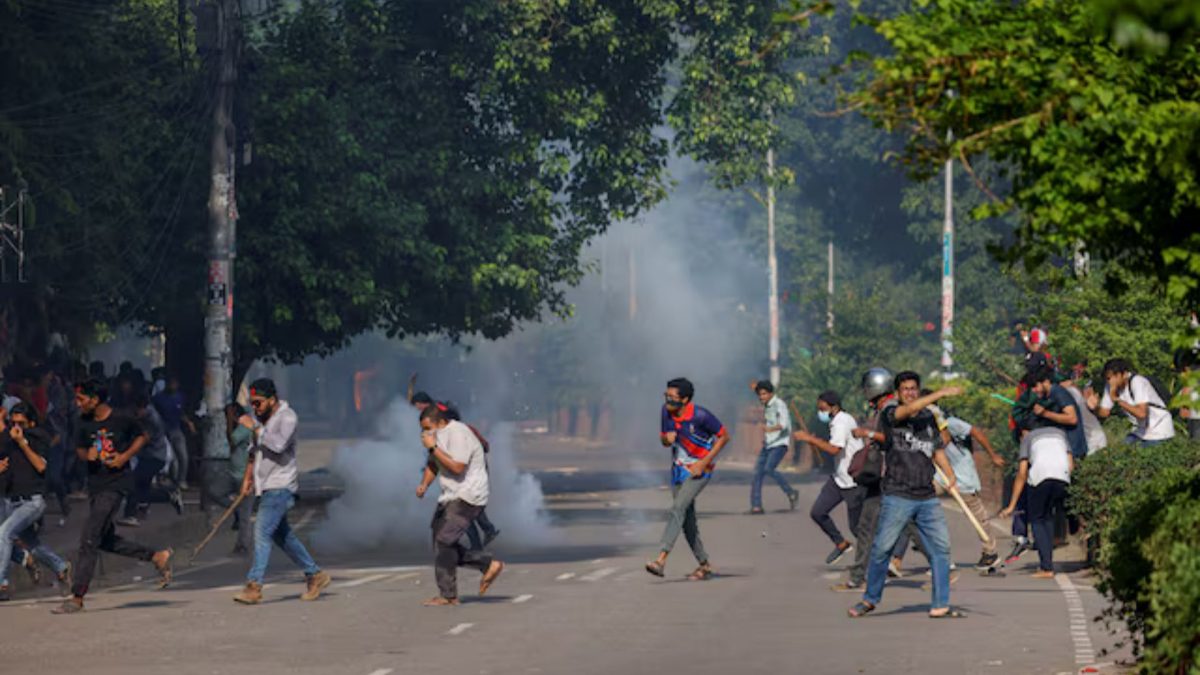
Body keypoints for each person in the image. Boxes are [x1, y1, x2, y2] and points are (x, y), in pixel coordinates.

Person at [848, 372, 962, 619]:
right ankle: (870, 599)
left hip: (927, 496)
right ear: (898, 393)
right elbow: (904, 412)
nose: (910, 393)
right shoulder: (891, 414)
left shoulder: (928, 417)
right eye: (906, 389)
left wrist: (950, 475)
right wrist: (940, 394)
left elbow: (936, 449)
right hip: (898, 494)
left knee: (941, 549)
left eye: (914, 389)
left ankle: (940, 603)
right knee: (882, 549)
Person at [54, 379, 173, 614]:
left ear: (95, 399)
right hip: (95, 485)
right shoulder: (83, 422)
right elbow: (78, 448)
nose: (78, 404)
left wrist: (123, 456)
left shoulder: (121, 418)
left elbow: (143, 436)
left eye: (81, 399)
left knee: (89, 538)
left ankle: (77, 597)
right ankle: (156, 556)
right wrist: (86, 454)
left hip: (116, 485)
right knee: (104, 539)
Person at [233, 378, 330, 605]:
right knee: (282, 535)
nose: (255, 408)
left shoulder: (287, 417)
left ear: (272, 399)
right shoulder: (264, 420)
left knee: (261, 532)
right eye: (252, 404)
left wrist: (255, 428)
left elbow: (277, 445)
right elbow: (253, 453)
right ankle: (314, 574)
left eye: (258, 403)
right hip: (264, 486)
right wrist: (247, 480)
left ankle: (254, 585)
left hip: (280, 485)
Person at [415, 404, 504, 606]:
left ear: (440, 422)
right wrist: (424, 485)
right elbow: (433, 463)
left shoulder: (458, 434)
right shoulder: (438, 437)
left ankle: (450, 595)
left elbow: (457, 467)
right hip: (451, 494)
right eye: (423, 429)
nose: (425, 432)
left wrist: (432, 447)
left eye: (428, 428)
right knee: (440, 543)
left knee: (444, 541)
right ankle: (485, 566)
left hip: (469, 495)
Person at [645, 377, 729, 581]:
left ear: (685, 399)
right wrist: (667, 439)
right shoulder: (666, 412)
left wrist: (704, 462)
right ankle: (704, 564)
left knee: (677, 508)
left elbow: (724, 436)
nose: (668, 401)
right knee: (686, 521)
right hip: (677, 471)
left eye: (673, 397)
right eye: (666, 396)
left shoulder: (700, 416)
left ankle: (661, 559)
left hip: (699, 471)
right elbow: (664, 439)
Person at [0, 403, 72, 600]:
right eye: (13, 423)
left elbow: (41, 466)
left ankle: (2, 584)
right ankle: (60, 566)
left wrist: (23, 442)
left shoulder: (37, 437)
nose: (16, 427)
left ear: (30, 422)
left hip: (32, 500)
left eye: (21, 423)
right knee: (32, 545)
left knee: (4, 533)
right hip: (11, 500)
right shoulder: (7, 438)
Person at [831, 369, 891, 593]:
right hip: (882, 476)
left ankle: (858, 577)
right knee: (874, 526)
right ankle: (858, 576)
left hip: (887, 476)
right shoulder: (882, 409)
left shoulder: (888, 411)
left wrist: (868, 434)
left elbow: (891, 439)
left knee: (871, 526)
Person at [928, 404, 1006, 569]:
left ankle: (990, 552)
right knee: (918, 505)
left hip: (962, 475)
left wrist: (992, 455)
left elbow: (975, 433)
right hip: (939, 476)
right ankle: (936, 554)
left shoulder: (951, 423)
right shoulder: (922, 428)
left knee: (977, 514)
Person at [794, 390, 863, 565]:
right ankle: (841, 543)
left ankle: (874, 562)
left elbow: (835, 449)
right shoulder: (838, 420)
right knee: (818, 512)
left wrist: (809, 438)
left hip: (852, 480)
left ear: (833, 405)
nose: (820, 410)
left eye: (822, 406)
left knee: (857, 528)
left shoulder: (841, 422)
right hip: (839, 478)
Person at [1000, 426, 1073, 578]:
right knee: (1048, 518)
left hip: (1040, 477)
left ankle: (1046, 568)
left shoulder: (1027, 438)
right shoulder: (1060, 433)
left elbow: (1022, 473)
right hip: (1062, 476)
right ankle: (1049, 560)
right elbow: (1071, 464)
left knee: (1037, 520)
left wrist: (1011, 506)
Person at [117, 393, 184, 527]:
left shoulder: (151, 419)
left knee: (134, 484)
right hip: (149, 456)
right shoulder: (147, 415)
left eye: (136, 410)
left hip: (155, 457)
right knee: (143, 487)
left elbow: (143, 439)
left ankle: (131, 514)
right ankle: (145, 508)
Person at [1088, 358, 1175, 445]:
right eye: (1107, 378)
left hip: (1159, 430)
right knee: (1122, 452)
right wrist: (1094, 407)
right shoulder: (1110, 386)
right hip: (1140, 431)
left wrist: (1118, 401)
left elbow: (1141, 414)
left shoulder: (1137, 382)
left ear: (1124, 374)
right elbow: (1104, 412)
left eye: (1112, 378)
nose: (1110, 381)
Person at [748, 380, 798, 514]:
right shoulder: (768, 404)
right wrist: (755, 388)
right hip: (768, 444)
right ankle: (756, 506)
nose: (761, 397)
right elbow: (760, 393)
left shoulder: (779, 404)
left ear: (771, 394)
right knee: (757, 474)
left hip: (779, 443)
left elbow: (784, 424)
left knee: (769, 469)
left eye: (764, 394)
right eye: (759, 394)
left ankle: (791, 492)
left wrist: (769, 429)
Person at [225, 403, 255, 555]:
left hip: (244, 475)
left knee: (245, 514)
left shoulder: (244, 425)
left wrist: (230, 421)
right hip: (234, 473)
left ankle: (243, 545)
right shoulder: (242, 425)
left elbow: (232, 441)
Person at [152, 375, 190, 490]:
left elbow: (182, 412)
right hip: (163, 431)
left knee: (183, 455)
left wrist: (189, 423)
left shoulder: (180, 397)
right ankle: (173, 480)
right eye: (170, 383)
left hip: (176, 429)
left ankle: (181, 479)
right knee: (172, 458)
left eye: (175, 383)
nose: (173, 386)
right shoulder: (158, 398)